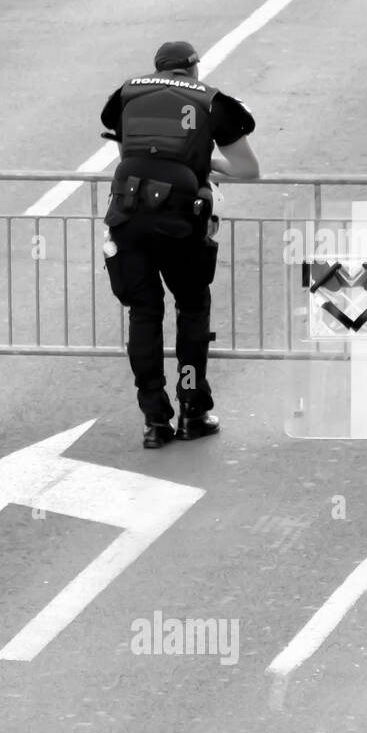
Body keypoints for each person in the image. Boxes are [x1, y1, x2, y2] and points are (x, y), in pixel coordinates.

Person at [99, 41, 260, 448]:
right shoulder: (212, 102)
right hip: (178, 220)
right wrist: (206, 163)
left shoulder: (126, 94)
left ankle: (154, 420)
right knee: (190, 307)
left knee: (143, 313)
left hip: (127, 215)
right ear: (194, 68)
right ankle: (192, 409)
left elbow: (127, 152)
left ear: (157, 68)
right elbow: (248, 169)